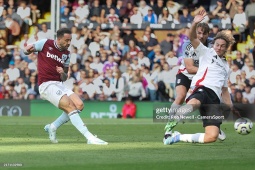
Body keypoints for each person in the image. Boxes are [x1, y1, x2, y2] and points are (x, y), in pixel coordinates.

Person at [24, 28, 108, 145]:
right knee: (70, 106)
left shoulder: (67, 54)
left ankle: (53, 127)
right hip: (46, 85)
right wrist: (27, 50)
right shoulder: (45, 43)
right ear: (58, 39)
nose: (69, 43)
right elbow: (27, 50)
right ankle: (90, 137)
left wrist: (62, 73)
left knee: (79, 105)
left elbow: (64, 77)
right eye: (66, 40)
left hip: (59, 84)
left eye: (70, 40)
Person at [164, 10, 235, 145]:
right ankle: (173, 119)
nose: (219, 48)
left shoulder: (227, 67)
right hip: (203, 88)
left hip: (214, 99)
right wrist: (195, 23)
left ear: (226, 49)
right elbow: (192, 38)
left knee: (211, 137)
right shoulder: (206, 52)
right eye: (217, 45)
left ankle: (178, 137)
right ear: (213, 45)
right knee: (194, 104)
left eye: (222, 46)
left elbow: (225, 90)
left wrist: (230, 107)